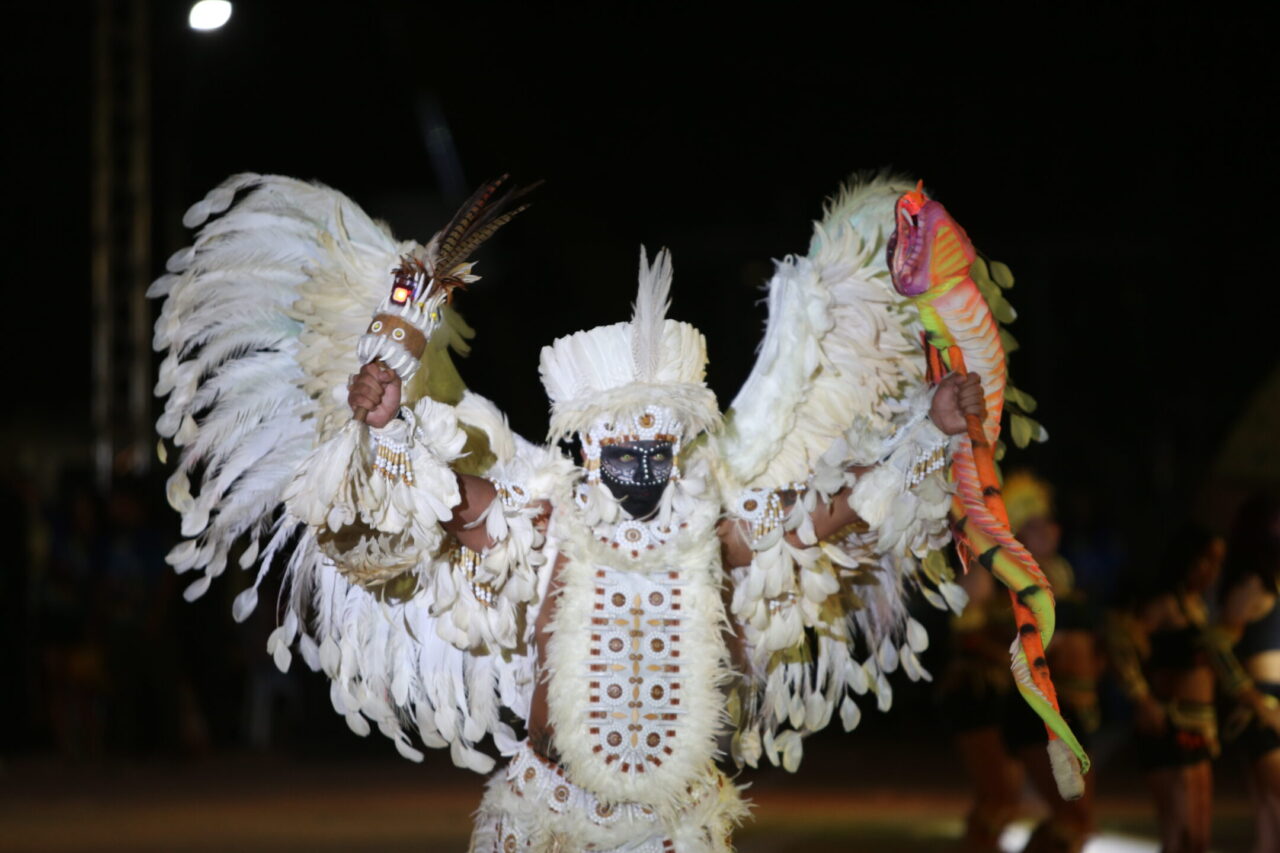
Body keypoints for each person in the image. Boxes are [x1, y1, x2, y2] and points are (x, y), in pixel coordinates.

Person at [153, 173, 1079, 851]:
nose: (641, 473)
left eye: (656, 453)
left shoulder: (717, 527)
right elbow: (433, 509)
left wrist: (927, 427)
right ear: (589, 452)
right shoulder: (541, 519)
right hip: (548, 817)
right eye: (621, 455)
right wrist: (389, 421)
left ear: (678, 448)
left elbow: (833, 513)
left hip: (676, 823)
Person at [941, 471, 1100, 853]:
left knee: (1070, 819)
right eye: (1035, 524)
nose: (1049, 530)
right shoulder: (991, 572)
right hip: (991, 700)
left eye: (1050, 522)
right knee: (1001, 805)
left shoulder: (1057, 575)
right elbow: (966, 637)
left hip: (1052, 705)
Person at [1107, 524, 1224, 853]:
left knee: (1197, 840)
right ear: (1188, 560)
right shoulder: (1165, 605)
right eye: (1207, 560)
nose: (1213, 570)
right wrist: (1142, 698)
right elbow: (1120, 642)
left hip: (1201, 725)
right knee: (1180, 837)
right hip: (1171, 725)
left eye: (1218, 563)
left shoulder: (1198, 606)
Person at [1215, 495, 1280, 853]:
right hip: (1263, 707)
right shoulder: (1251, 585)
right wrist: (1257, 703)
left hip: (1270, 705)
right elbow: (1217, 648)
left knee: (1270, 830)